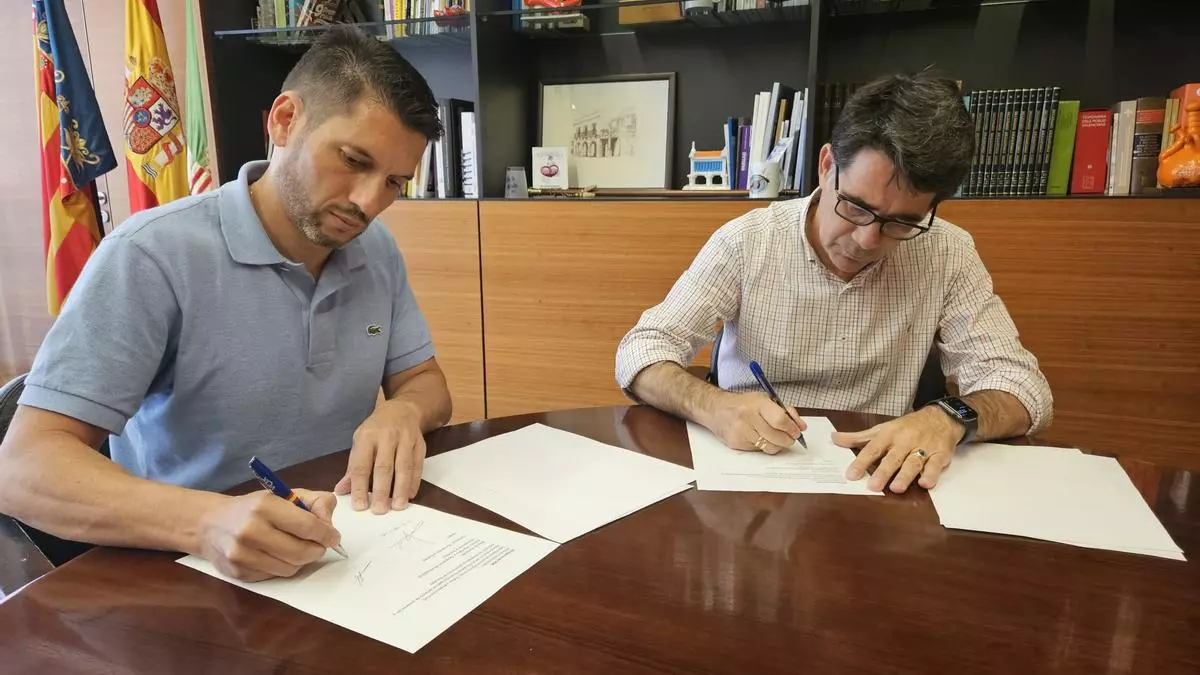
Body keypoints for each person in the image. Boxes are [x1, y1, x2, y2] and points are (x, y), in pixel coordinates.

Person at [0, 27, 452, 581]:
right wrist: (206, 522)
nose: (367, 203)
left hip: (343, 548)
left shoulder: (375, 250)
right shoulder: (151, 255)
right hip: (186, 569)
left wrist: (403, 411)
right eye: (354, 160)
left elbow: (425, 382)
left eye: (394, 183)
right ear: (284, 120)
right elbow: (22, 470)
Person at [615, 71, 1053, 494]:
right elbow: (641, 349)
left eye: (902, 222)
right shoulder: (748, 242)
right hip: (749, 471)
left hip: (879, 477)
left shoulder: (947, 252)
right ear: (827, 166)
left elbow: (1023, 387)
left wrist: (946, 418)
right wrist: (714, 405)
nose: (866, 240)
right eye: (856, 207)